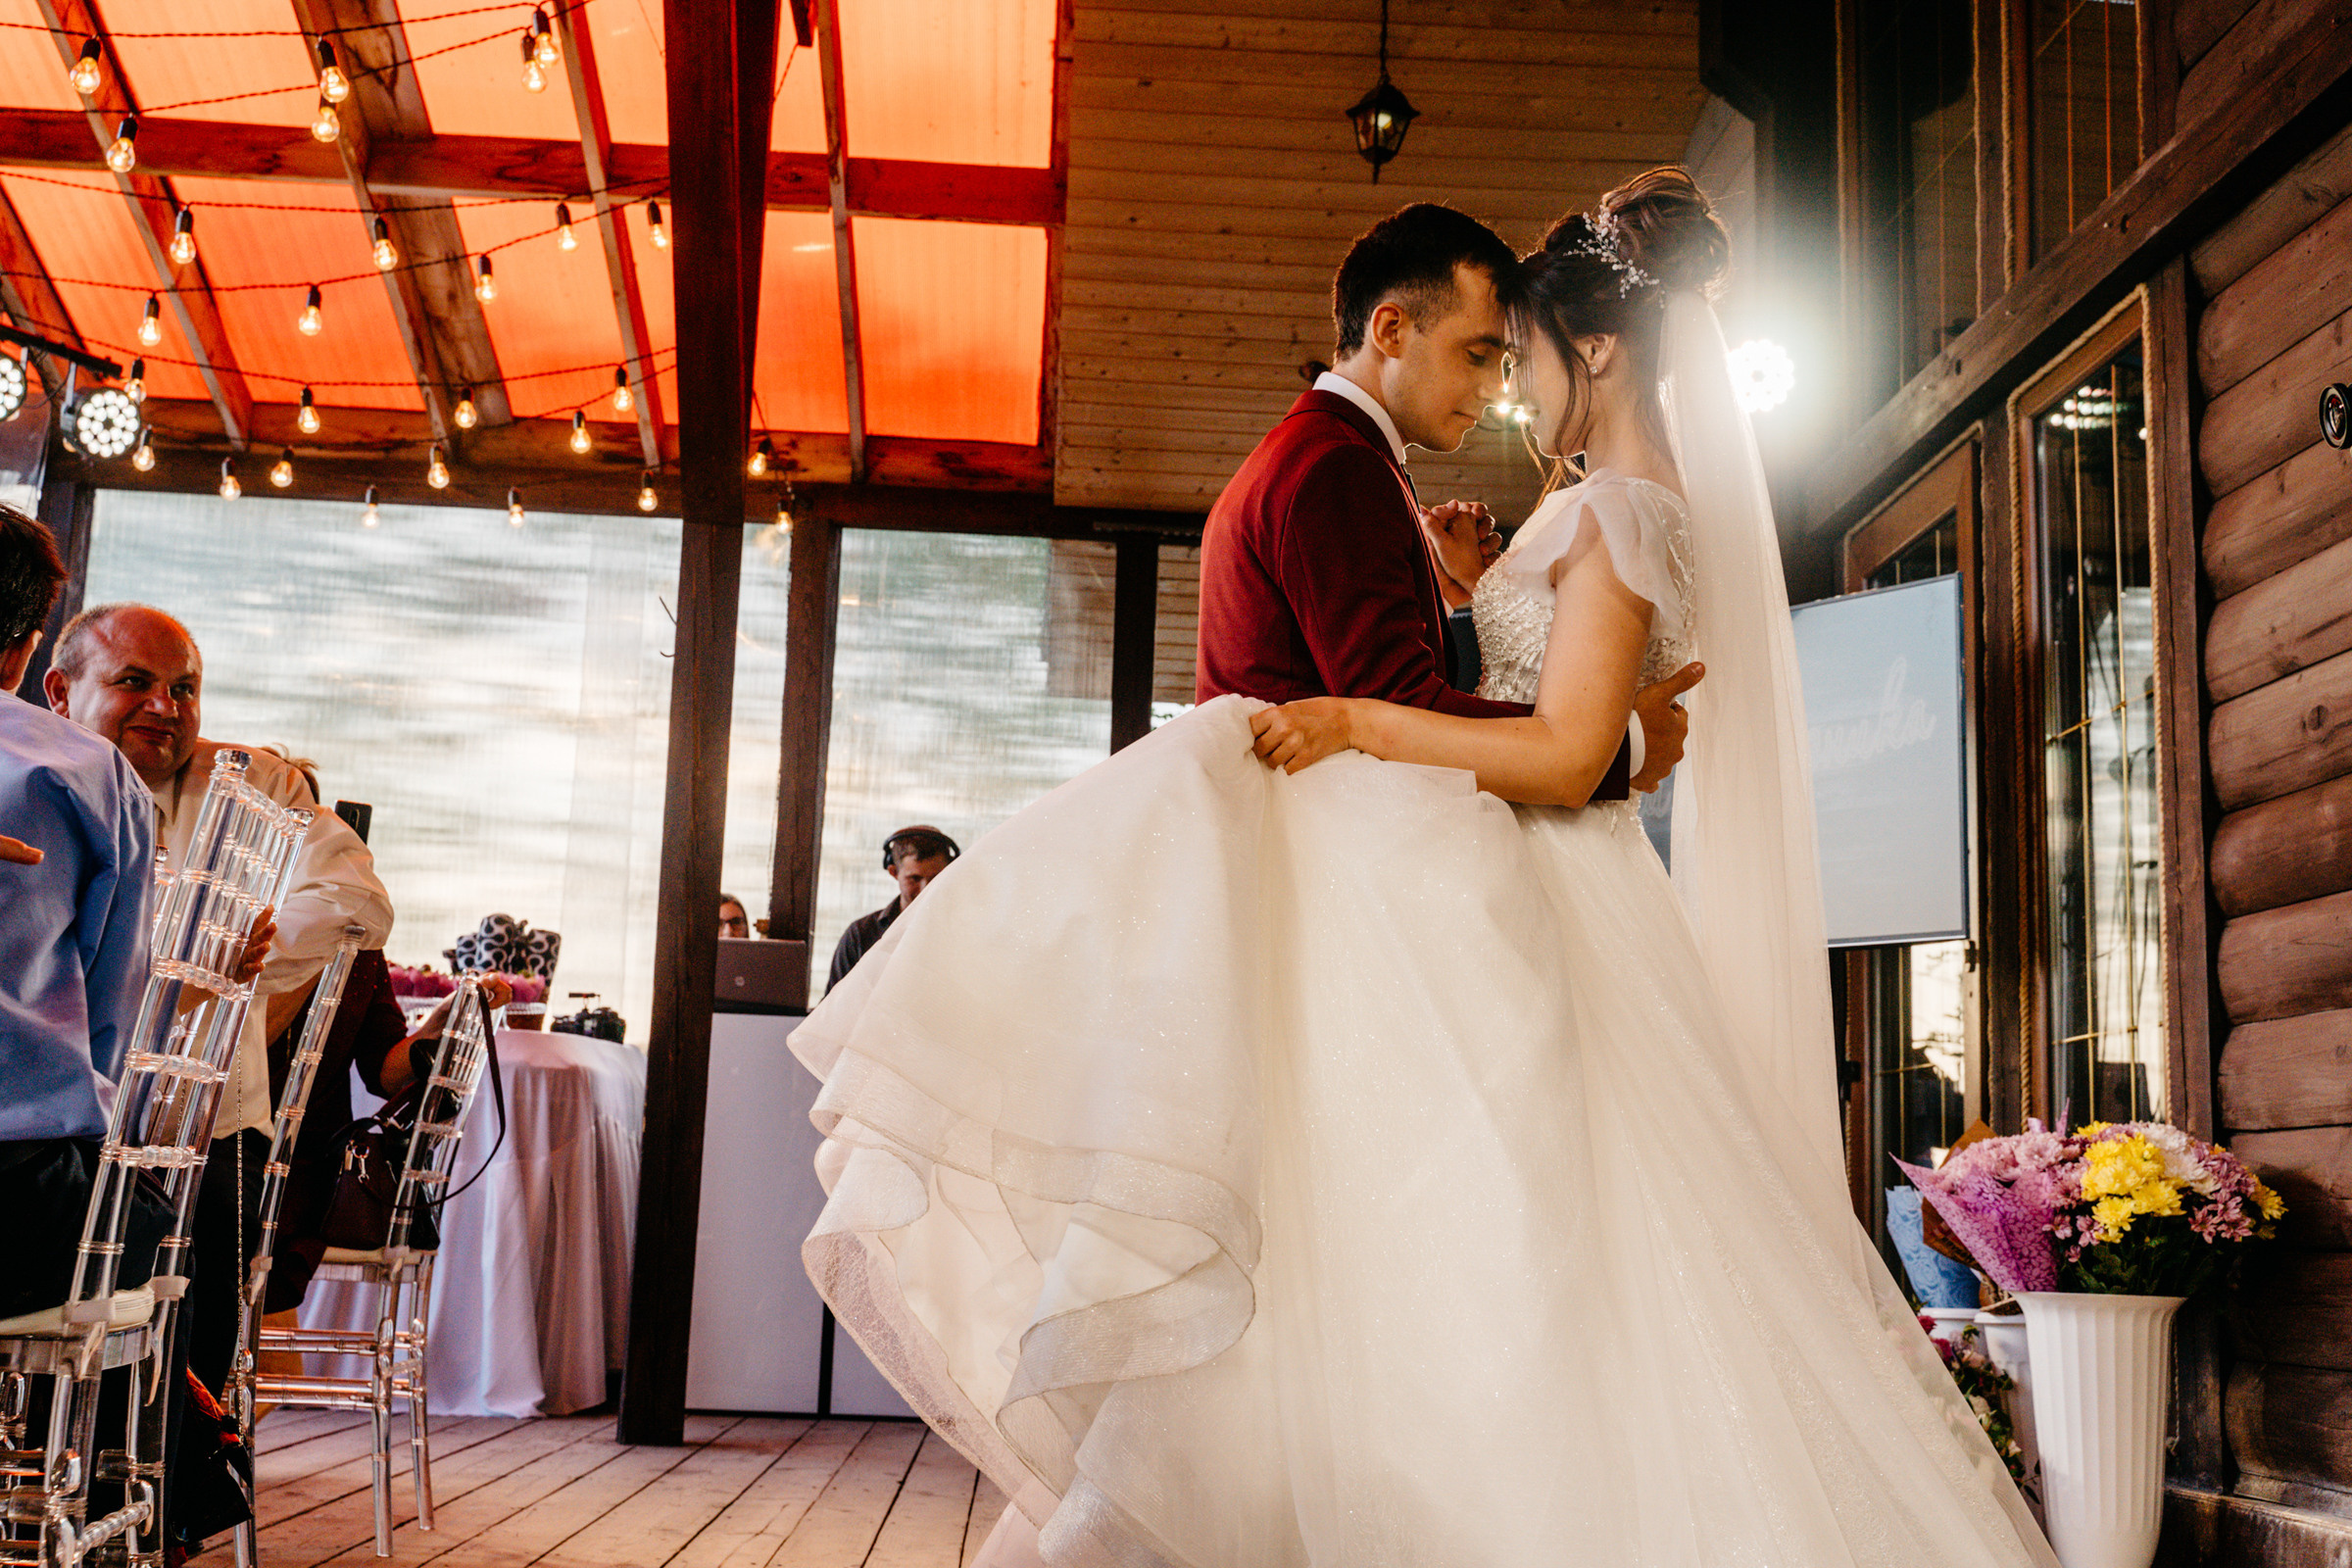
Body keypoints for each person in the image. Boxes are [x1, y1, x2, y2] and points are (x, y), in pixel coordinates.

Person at [790, 172, 2056, 1568]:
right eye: (1475, 353)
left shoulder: (1513, 494)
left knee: (1460, 1250)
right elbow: (1421, 698)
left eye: (1515, 358)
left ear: (1601, 351)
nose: (1498, 391)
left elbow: (1419, 703)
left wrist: (1518, 678)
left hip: (1463, 877)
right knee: (1502, 1240)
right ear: (1387, 331)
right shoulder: (1345, 469)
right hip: (1414, 879)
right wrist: (1609, 733)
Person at [43, 603, 393, 1547]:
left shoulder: (252, 786)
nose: (166, 705)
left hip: (204, 1136)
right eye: (135, 682)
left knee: (182, 1361)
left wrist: (210, 984)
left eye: (185, 687)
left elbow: (357, 898)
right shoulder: (35, 783)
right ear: (60, 690)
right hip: (58, 1134)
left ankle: (162, 1533)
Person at [823, 825, 958, 992]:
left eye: (935, 878)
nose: (926, 889)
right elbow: (832, 1007)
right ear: (894, 872)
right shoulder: (861, 934)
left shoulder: (965, 930)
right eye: (914, 879)